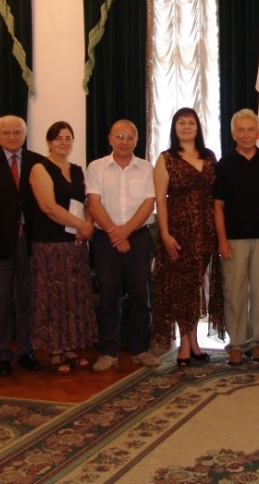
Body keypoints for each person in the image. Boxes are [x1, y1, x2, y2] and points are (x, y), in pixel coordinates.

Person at [152, 108, 224, 366]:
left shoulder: (210, 156)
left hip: (206, 232)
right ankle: (185, 344)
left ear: (197, 127)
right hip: (178, 234)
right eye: (181, 122)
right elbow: (160, 199)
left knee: (194, 287)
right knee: (182, 288)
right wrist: (165, 234)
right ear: (174, 127)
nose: (186, 127)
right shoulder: (166, 158)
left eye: (191, 122)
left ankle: (194, 343)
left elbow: (218, 196)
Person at [86, 120, 160, 371]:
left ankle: (141, 349)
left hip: (138, 238)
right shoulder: (96, 167)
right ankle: (108, 352)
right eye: (119, 136)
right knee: (109, 297)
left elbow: (149, 203)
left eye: (129, 137)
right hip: (105, 240)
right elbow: (94, 203)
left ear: (136, 141)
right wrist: (114, 233)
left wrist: (125, 232)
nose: (124, 141)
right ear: (110, 139)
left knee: (141, 296)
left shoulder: (146, 168)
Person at [0, 115, 44, 377]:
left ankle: (26, 351)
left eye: (17, 131)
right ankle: (2, 354)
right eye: (7, 132)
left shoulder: (37, 161)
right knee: (0, 302)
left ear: (24, 135)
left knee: (28, 300)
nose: (12, 136)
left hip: (30, 242)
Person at [214, 109, 259, 366]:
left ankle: (256, 342)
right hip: (233, 240)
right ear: (233, 134)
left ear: (258, 131)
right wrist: (222, 240)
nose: (245, 134)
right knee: (235, 291)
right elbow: (218, 206)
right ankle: (236, 343)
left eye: (250, 129)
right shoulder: (224, 165)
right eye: (240, 130)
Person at [28, 122, 97, 374]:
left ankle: (69, 347)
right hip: (50, 246)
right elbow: (48, 206)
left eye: (68, 138)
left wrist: (88, 225)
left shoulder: (77, 170)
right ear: (49, 142)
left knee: (72, 298)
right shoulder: (40, 168)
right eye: (58, 138)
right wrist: (82, 225)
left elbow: (87, 202)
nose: (64, 142)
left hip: (75, 245)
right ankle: (55, 351)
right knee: (53, 299)